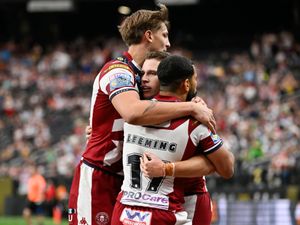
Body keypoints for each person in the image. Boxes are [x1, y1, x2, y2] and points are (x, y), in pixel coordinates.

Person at [68, 5, 216, 225]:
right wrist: (191, 108)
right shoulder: (118, 71)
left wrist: (193, 101)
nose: (168, 43)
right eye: (164, 35)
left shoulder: (144, 80)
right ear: (148, 35)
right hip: (101, 175)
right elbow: (132, 113)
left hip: (130, 183)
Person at [111, 55, 234, 225]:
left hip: (124, 210)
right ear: (186, 84)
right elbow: (226, 168)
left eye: (152, 73)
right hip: (164, 211)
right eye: (143, 73)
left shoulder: (131, 115)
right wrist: (166, 169)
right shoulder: (195, 122)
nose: (145, 79)